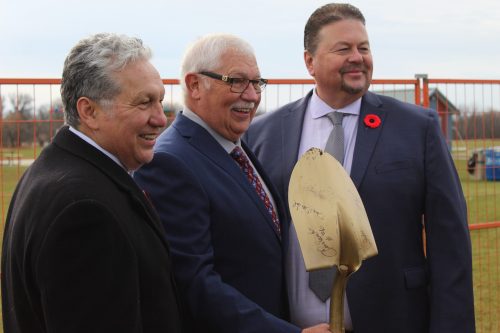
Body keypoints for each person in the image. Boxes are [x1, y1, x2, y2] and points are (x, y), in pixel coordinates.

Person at [244, 3, 475, 333]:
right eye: (344, 48)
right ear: (309, 61)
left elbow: (450, 245)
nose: (358, 57)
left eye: (363, 48)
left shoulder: (416, 128)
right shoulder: (263, 133)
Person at [133, 33, 330, 333]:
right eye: (236, 81)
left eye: (256, 83)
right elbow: (194, 284)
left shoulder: (234, 145)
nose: (251, 95)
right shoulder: (170, 163)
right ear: (194, 85)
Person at [1, 33, 182, 333]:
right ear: (89, 111)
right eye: (145, 102)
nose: (161, 119)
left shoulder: (57, 171)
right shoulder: (85, 212)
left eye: (160, 101)